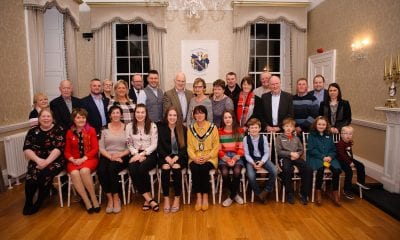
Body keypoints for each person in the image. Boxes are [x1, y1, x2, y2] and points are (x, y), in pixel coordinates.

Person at [22, 108, 65, 215]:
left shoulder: (58, 129)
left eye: (48, 116)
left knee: (44, 175)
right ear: (39, 118)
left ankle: (39, 201)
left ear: (52, 118)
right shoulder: (33, 131)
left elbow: (58, 149)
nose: (46, 118)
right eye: (43, 116)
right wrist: (37, 160)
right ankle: (28, 202)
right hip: (36, 160)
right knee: (31, 178)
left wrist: (46, 162)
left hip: (55, 160)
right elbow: (27, 148)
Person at [64, 108, 100, 213]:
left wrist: (83, 158)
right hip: (74, 161)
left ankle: (94, 198)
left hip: (89, 158)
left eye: (83, 117)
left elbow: (95, 149)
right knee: (74, 173)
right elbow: (66, 151)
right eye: (78, 117)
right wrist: (73, 160)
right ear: (74, 120)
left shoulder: (91, 130)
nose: (81, 120)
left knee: (84, 171)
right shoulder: (69, 133)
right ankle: (86, 201)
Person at [126, 104, 159, 212]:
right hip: (135, 153)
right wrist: (136, 154)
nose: (140, 115)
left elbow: (154, 145)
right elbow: (129, 144)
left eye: (142, 112)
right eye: (138, 112)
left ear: (146, 114)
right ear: (134, 113)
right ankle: (149, 198)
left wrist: (142, 154)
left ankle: (147, 199)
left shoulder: (152, 125)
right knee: (132, 169)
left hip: (150, 154)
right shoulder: (129, 126)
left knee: (142, 168)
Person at [98, 105, 130, 214]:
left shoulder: (127, 127)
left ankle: (116, 197)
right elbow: (101, 147)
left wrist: (120, 155)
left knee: (112, 169)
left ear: (121, 115)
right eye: (113, 113)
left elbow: (130, 147)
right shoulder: (104, 128)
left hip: (123, 155)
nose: (115, 115)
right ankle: (109, 198)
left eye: (117, 113)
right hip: (107, 155)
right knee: (101, 170)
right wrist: (111, 156)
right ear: (110, 115)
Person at [187, 105, 219, 211]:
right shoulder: (191, 129)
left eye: (201, 113)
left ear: (205, 114)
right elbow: (189, 147)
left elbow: (216, 146)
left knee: (204, 168)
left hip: (210, 157)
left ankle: (205, 196)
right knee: (195, 168)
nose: (199, 115)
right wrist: (194, 158)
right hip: (194, 157)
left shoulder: (212, 127)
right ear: (193, 115)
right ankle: (198, 197)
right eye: (196, 113)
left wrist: (207, 157)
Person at [157, 106, 188, 213]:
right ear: (166, 116)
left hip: (179, 157)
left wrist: (176, 158)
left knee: (176, 168)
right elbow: (159, 146)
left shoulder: (183, 129)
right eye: (170, 115)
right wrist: (166, 157)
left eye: (174, 115)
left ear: (178, 117)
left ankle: (177, 198)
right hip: (164, 156)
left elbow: (185, 148)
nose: (172, 117)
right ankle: (166, 198)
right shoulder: (161, 128)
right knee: (165, 168)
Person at [275, 117, 312, 205]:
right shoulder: (279, 138)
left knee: (308, 169)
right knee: (287, 169)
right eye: (286, 126)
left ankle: (303, 193)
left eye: (291, 127)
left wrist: (298, 154)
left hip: (296, 157)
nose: (288, 128)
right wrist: (290, 153)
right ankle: (289, 193)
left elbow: (301, 149)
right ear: (283, 127)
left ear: (293, 128)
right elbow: (279, 151)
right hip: (284, 158)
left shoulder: (296, 138)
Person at [306, 116, 341, 206]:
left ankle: (335, 193)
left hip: (329, 158)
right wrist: (322, 157)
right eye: (319, 124)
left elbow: (333, 149)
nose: (321, 126)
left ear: (326, 125)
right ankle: (318, 192)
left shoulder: (329, 135)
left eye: (323, 124)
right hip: (316, 158)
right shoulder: (311, 135)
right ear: (315, 125)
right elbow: (311, 149)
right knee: (320, 169)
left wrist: (330, 156)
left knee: (336, 170)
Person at [243, 118, 277, 203]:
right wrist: (253, 163)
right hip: (251, 160)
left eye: (255, 127)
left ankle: (266, 190)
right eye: (251, 128)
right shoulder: (245, 139)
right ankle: (259, 194)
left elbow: (266, 153)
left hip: (262, 158)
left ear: (259, 128)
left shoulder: (264, 138)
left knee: (274, 170)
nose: (254, 129)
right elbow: (246, 154)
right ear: (248, 129)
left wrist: (262, 162)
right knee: (250, 175)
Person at [218, 110, 245, 207]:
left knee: (237, 171)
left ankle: (231, 196)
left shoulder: (240, 130)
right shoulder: (219, 131)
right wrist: (227, 159)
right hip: (223, 156)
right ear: (223, 119)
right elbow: (219, 149)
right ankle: (235, 194)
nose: (227, 119)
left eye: (230, 117)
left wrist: (234, 158)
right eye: (225, 117)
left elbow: (242, 148)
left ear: (233, 118)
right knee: (224, 173)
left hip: (237, 156)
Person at [336, 126, 370, 199]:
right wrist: (350, 162)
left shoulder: (349, 142)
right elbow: (342, 155)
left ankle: (360, 182)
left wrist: (352, 160)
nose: (348, 135)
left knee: (361, 165)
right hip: (340, 160)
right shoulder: (340, 143)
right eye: (346, 133)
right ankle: (346, 190)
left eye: (350, 134)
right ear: (341, 135)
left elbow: (349, 153)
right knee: (349, 171)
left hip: (349, 159)